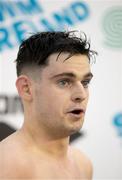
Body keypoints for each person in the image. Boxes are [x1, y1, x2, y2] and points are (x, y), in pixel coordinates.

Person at [0, 31, 96, 179]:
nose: (81, 94)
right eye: (64, 82)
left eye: (85, 82)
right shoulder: (5, 166)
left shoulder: (83, 163)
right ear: (26, 88)